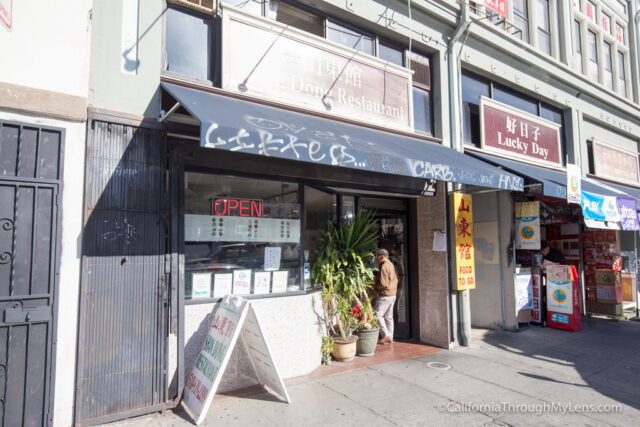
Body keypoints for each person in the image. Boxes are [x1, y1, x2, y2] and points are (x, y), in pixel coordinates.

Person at [373, 249, 398, 344]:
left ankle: (386, 335)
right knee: (388, 316)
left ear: (382, 257)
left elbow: (383, 283)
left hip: (385, 295)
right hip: (392, 294)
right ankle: (390, 336)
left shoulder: (384, 266)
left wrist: (375, 286)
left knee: (377, 315)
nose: (376, 260)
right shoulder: (391, 265)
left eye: (377, 257)